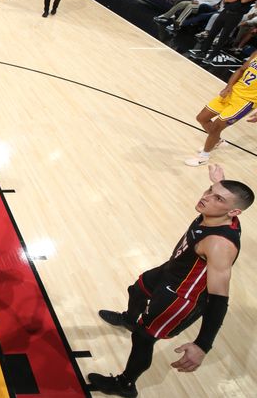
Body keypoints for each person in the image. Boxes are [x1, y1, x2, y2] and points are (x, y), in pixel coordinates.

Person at [87, 165, 253, 397]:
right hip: (172, 271)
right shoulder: (220, 211)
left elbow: (219, 299)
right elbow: (224, 195)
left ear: (234, 212)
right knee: (136, 290)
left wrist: (202, 345)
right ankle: (128, 319)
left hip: (181, 296)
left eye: (217, 198)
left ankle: (125, 384)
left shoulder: (219, 245)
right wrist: (219, 182)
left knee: (143, 338)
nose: (205, 198)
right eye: (208, 190)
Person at [185, 50, 257, 166]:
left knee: (215, 128)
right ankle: (217, 141)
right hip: (233, 92)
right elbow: (241, 70)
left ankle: (204, 157)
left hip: (246, 101)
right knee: (202, 118)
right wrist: (229, 86)